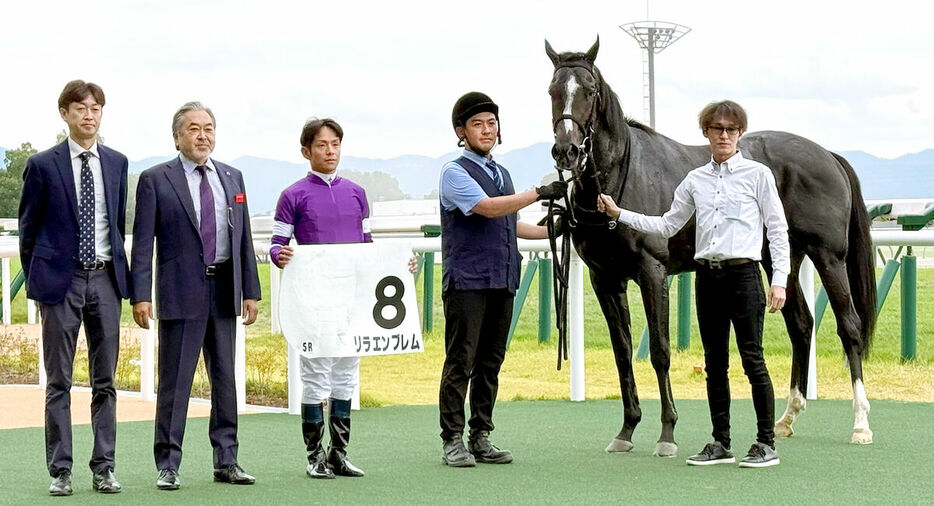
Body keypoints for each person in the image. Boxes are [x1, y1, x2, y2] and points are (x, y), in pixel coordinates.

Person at [596, 100, 789, 468]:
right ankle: (721, 441)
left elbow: (777, 230)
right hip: (708, 277)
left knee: (753, 360)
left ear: (740, 134)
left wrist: (779, 279)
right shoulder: (695, 180)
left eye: (731, 129)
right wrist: (620, 214)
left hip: (745, 275)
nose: (724, 135)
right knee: (715, 364)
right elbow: (667, 224)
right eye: (717, 128)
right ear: (706, 133)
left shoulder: (758, 175)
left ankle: (765, 442)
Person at [130, 101, 261, 489]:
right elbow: (141, 244)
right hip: (179, 290)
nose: (202, 135)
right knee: (175, 382)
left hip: (224, 288)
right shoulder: (156, 179)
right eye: (193, 129)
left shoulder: (232, 177)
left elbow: (244, 238)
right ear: (177, 137)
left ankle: (227, 460)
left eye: (208, 128)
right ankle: (168, 464)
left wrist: (250, 290)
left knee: (225, 379)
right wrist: (141, 294)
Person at [438, 92, 566, 467]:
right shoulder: (454, 172)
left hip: (501, 278)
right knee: (461, 360)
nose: (486, 130)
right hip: (467, 281)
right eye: (477, 124)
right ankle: (451, 439)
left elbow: (511, 222)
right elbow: (488, 208)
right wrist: (539, 192)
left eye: (491, 122)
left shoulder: (502, 173)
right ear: (461, 131)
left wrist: (553, 231)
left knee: (491, 362)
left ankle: (481, 434)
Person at [18, 80, 129, 496]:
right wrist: (38, 279)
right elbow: (28, 229)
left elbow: (116, 224)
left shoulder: (117, 163)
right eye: (80, 108)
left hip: (105, 278)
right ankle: (60, 470)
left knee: (106, 380)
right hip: (59, 282)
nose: (89, 115)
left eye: (96, 108)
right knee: (58, 380)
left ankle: (104, 467)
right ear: (64, 113)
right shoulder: (43, 164)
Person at [269, 118, 369, 480]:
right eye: (322, 145)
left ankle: (339, 454)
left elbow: (368, 250)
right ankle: (314, 457)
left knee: (346, 375)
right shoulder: (293, 195)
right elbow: (276, 246)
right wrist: (279, 256)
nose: (330, 151)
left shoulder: (357, 193)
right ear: (306, 150)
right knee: (315, 376)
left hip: (350, 300)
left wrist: (401, 266)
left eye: (335, 144)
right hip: (312, 299)